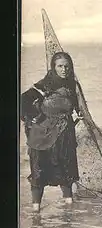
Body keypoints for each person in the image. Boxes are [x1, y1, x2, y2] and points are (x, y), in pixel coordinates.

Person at [21, 52, 81, 212]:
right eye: (60, 66)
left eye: (67, 66)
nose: (64, 69)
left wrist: (79, 112)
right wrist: (33, 117)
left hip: (65, 135)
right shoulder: (44, 85)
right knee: (39, 171)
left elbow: (77, 105)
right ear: (53, 68)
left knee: (66, 171)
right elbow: (22, 101)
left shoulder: (72, 85)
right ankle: (36, 212)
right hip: (43, 135)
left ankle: (70, 210)